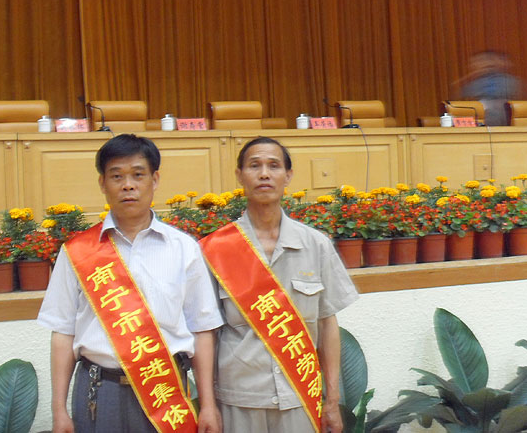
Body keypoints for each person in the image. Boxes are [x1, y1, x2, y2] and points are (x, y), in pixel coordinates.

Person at [38, 134, 223, 433]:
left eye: (138, 175)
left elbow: (202, 329)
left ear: (154, 179)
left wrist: (209, 406)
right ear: (103, 183)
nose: (128, 185)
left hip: (166, 392)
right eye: (117, 176)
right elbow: (63, 332)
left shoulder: (183, 248)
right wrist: (58, 410)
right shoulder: (77, 252)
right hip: (99, 391)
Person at [200, 137, 359, 433]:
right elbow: (205, 332)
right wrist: (207, 404)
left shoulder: (316, 245)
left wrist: (332, 400)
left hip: (299, 396)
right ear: (239, 175)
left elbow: (327, 323)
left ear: (288, 176)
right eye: (254, 166)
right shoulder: (214, 250)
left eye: (273, 166)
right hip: (239, 398)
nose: (264, 174)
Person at [450, 50, 521, 126]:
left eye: (481, 61)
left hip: (498, 115)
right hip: (480, 115)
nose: (476, 65)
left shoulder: (507, 80)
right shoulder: (477, 81)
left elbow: (502, 96)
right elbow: (460, 96)